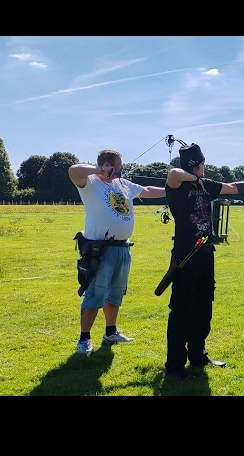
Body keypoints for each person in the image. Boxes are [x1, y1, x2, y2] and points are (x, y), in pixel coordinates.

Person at [162, 141, 244, 379]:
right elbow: (173, 173)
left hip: (206, 254)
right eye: (202, 164)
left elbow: (231, 187)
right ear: (196, 165)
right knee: (181, 310)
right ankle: (175, 365)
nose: (204, 168)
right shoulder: (177, 185)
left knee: (203, 306)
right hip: (185, 256)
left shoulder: (207, 184)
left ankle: (198, 354)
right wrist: (195, 179)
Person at [68, 149, 166, 354]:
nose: (122, 167)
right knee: (95, 293)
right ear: (107, 164)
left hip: (122, 247)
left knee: (115, 293)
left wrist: (172, 189)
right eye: (119, 164)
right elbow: (73, 170)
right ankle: (84, 339)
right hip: (100, 249)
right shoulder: (91, 182)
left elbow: (147, 190)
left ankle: (110, 331)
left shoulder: (123, 184)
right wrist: (99, 170)